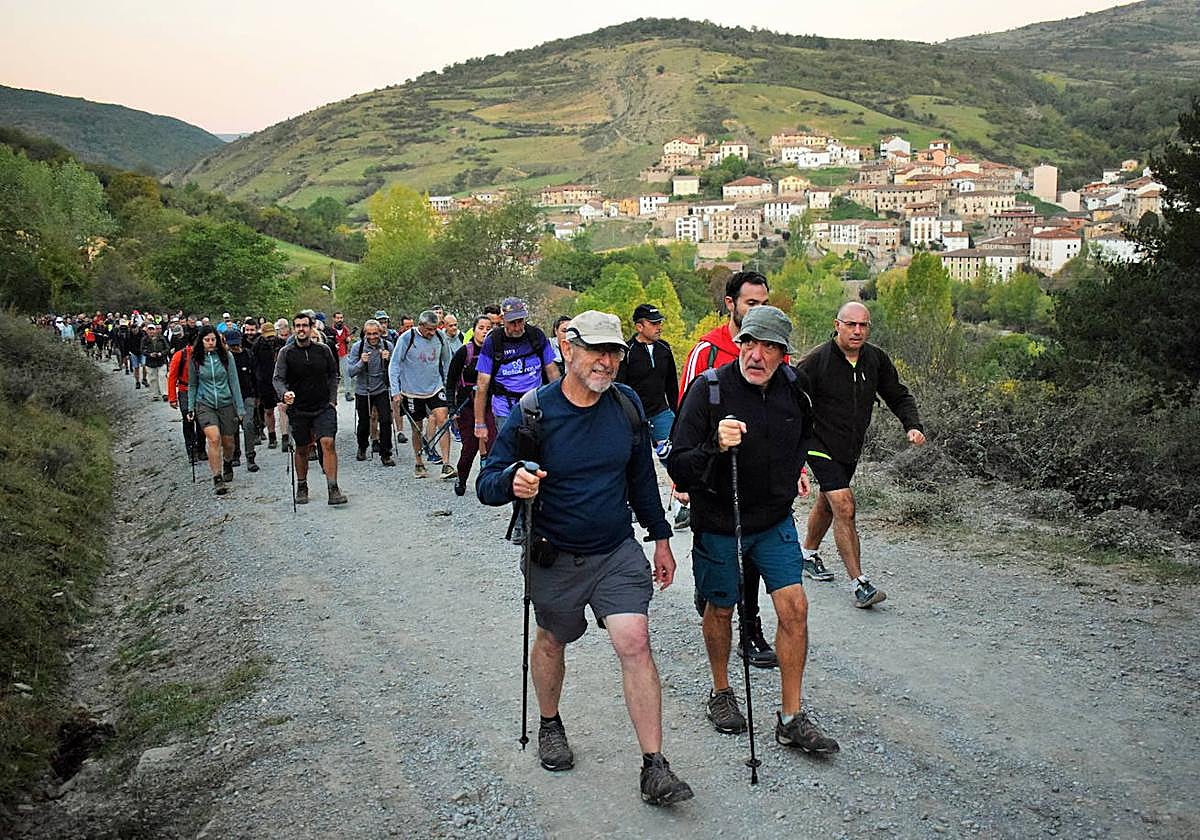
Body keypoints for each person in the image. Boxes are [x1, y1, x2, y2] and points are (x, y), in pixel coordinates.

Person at [476, 310, 694, 807]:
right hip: (555, 554)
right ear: (568, 350)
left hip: (615, 549)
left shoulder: (626, 405)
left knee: (634, 641)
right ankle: (550, 723)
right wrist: (512, 481)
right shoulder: (534, 412)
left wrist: (661, 538)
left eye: (613, 351)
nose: (605, 361)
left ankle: (655, 766)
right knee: (553, 639)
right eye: (595, 350)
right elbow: (487, 482)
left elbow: (641, 479)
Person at [668, 305, 838, 754]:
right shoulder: (709, 391)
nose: (756, 355)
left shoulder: (795, 388)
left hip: (773, 521)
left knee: (795, 608)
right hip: (719, 523)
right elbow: (679, 466)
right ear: (739, 344)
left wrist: (793, 471)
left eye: (768, 347)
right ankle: (721, 691)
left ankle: (791, 717)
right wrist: (714, 445)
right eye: (749, 343)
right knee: (721, 609)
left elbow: (803, 434)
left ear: (784, 354)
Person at [676, 270, 777, 669]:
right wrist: (683, 479)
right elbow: (685, 415)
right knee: (718, 550)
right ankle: (711, 589)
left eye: (764, 303)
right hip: (710, 475)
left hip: (757, 478)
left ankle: (750, 628)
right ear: (730, 304)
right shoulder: (707, 351)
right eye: (751, 303)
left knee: (752, 555)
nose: (758, 310)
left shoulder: (773, 349)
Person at [795, 301, 925, 608]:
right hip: (817, 442)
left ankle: (807, 555)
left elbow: (897, 394)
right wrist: (792, 449)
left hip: (849, 447)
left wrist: (912, 425)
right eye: (851, 324)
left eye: (863, 325)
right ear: (836, 325)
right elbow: (790, 401)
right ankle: (860, 584)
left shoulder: (875, 359)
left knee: (829, 503)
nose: (857, 331)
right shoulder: (816, 361)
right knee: (844, 505)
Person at [274, 312, 347, 505]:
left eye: (304, 325)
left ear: (311, 327)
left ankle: (333, 488)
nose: (301, 329)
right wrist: (284, 394)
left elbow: (334, 375)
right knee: (302, 448)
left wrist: (332, 399)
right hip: (299, 408)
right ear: (293, 329)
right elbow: (278, 379)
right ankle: (302, 485)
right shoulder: (286, 353)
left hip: (323, 406)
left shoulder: (323, 350)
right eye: (297, 326)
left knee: (328, 443)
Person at [472, 297, 560, 455]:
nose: (518, 327)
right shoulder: (493, 342)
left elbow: (552, 371)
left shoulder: (536, 336)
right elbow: (482, 385)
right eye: (513, 322)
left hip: (535, 403)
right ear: (503, 320)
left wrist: (560, 403)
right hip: (505, 407)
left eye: (521, 321)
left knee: (540, 450)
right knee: (511, 451)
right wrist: (479, 423)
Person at [390, 309, 455, 478]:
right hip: (412, 391)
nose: (432, 333)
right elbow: (394, 364)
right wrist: (395, 391)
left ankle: (446, 464)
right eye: (429, 330)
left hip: (435, 387)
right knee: (417, 427)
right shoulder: (407, 338)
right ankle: (419, 463)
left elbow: (447, 361)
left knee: (443, 420)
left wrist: (448, 385)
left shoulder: (440, 337)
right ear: (420, 325)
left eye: (435, 329)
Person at [616, 304, 678, 462]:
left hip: (661, 413)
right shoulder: (627, 351)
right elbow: (619, 387)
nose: (659, 327)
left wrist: (676, 413)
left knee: (675, 456)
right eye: (653, 323)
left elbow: (672, 384)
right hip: (634, 416)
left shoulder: (664, 348)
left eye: (659, 323)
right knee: (635, 461)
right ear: (639, 327)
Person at [187, 326, 244, 496]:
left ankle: (227, 461)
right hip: (205, 403)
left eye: (213, 339)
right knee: (214, 438)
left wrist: (240, 407)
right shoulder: (195, 359)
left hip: (226, 402)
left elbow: (234, 382)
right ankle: (217, 477)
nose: (211, 343)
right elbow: (192, 384)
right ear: (201, 341)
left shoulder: (226, 357)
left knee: (228, 442)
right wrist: (190, 407)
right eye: (207, 340)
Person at [444, 314, 494, 495]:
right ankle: (462, 477)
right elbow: (451, 381)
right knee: (470, 447)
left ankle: (489, 482)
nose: (485, 332)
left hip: (489, 405)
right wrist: (452, 408)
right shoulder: (464, 352)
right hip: (466, 407)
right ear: (474, 331)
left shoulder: (496, 352)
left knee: (492, 443)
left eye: (488, 329)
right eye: (481, 328)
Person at [347, 318, 395, 467]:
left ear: (380, 333)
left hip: (381, 388)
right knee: (364, 422)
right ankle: (362, 446)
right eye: (369, 334)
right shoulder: (358, 347)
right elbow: (350, 372)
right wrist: (362, 362)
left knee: (386, 420)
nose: (372, 337)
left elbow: (395, 369)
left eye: (375, 334)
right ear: (365, 333)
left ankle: (386, 453)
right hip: (363, 390)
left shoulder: (388, 346)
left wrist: (388, 360)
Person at [226, 329, 260, 473]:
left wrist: (257, 395)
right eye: (232, 345)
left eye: (236, 344)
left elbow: (255, 375)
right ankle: (235, 454)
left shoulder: (248, 354)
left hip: (248, 395)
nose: (235, 347)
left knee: (248, 425)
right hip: (231, 397)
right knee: (233, 426)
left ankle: (250, 457)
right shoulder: (225, 358)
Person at [141, 322, 172, 401]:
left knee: (162, 376)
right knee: (153, 378)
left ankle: (165, 393)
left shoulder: (161, 338)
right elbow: (142, 350)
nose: (151, 331)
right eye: (149, 330)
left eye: (152, 330)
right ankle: (155, 394)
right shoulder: (144, 339)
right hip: (150, 362)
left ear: (155, 330)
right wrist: (149, 354)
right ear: (147, 331)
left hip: (161, 360)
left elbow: (167, 348)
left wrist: (161, 353)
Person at [331, 312, 353, 402]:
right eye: (337, 318)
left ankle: (348, 392)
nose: (339, 320)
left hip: (343, 354)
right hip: (333, 356)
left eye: (341, 318)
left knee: (347, 374)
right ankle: (333, 394)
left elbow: (348, 339)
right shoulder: (330, 330)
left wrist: (348, 339)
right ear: (334, 319)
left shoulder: (345, 329)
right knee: (334, 375)